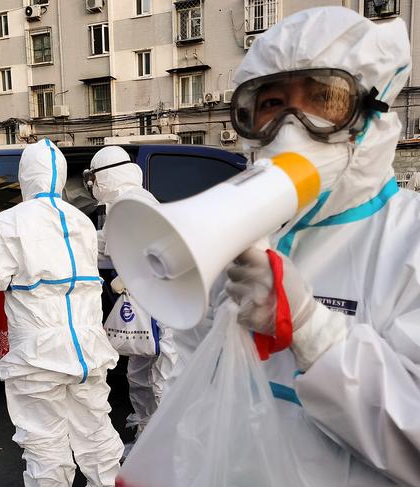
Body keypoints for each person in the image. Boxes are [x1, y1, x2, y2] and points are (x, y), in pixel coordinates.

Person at [171, 6, 420, 486]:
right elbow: (201, 391)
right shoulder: (241, 236)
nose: (290, 126)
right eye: (271, 102)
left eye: (322, 98)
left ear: (373, 110)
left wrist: (310, 329)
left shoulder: (409, 242)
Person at [0, 139, 123, 487]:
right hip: (88, 350)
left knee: (45, 445)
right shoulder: (80, 221)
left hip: (38, 357)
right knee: (97, 434)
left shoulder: (10, 223)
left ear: (26, 177)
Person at [85, 146, 178, 455]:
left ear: (107, 176)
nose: (92, 184)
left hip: (163, 307)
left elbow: (162, 252)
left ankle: (165, 454)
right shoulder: (122, 203)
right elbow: (108, 245)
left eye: (94, 177)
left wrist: (133, 275)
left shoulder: (133, 203)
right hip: (146, 306)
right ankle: (146, 436)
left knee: (163, 376)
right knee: (139, 373)